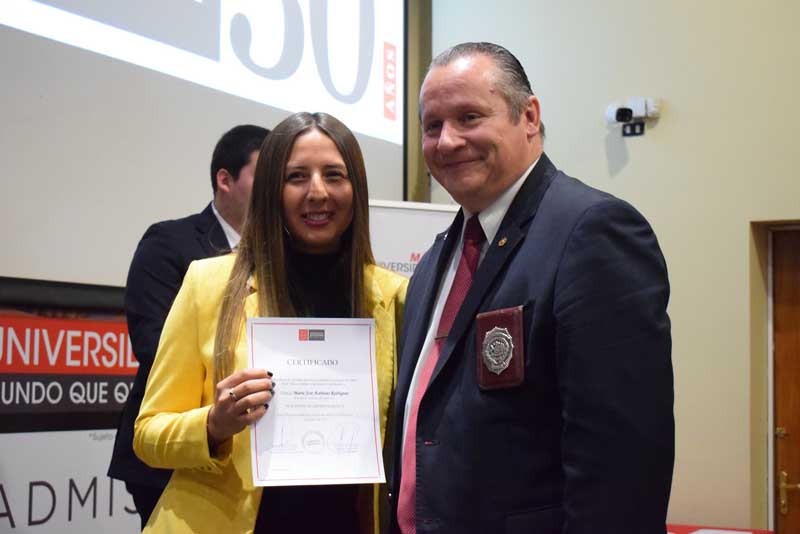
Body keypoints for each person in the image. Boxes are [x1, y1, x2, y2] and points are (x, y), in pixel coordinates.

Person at [390, 42, 674, 533]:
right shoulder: (434, 262)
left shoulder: (592, 232)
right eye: (432, 126)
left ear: (529, 116)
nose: (448, 141)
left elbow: (623, 467)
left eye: (469, 117)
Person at [133, 112, 408, 533]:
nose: (317, 192)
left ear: (356, 188)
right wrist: (214, 425)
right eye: (296, 177)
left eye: (334, 175)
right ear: (270, 191)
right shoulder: (208, 284)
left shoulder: (394, 297)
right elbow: (148, 435)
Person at [108, 124, 269, 528]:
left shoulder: (280, 257)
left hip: (252, 461)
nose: (275, 188)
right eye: (263, 175)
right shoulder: (169, 242)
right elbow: (153, 344)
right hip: (170, 456)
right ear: (225, 180)